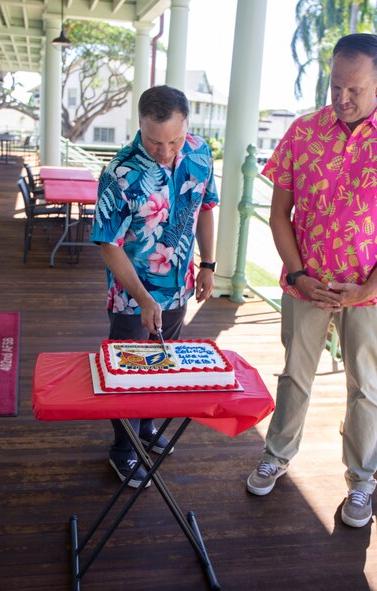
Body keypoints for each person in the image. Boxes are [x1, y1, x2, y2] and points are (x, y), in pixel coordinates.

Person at [246, 33, 377, 528]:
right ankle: (276, 455)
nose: (342, 99)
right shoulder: (302, 132)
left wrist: (368, 288)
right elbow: (280, 214)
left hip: (369, 293)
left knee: (366, 386)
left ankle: (362, 481)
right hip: (306, 284)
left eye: (356, 90)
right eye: (335, 86)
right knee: (295, 376)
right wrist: (298, 274)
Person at [91, 85, 218, 487]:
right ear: (139, 126)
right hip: (133, 295)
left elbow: (205, 209)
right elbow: (108, 245)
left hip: (179, 288)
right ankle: (122, 450)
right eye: (154, 141)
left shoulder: (199, 153)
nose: (165, 151)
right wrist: (143, 297)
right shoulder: (120, 171)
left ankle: (146, 428)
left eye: (174, 140)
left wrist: (209, 265)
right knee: (128, 373)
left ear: (187, 126)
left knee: (164, 364)